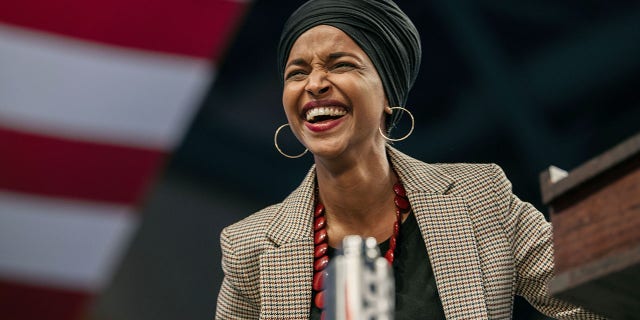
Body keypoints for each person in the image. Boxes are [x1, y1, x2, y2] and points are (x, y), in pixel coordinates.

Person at [215, 0, 605, 319]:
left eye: (341, 65)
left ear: (388, 94)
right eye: (296, 73)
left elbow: (596, 304)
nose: (314, 83)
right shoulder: (249, 246)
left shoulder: (483, 197)